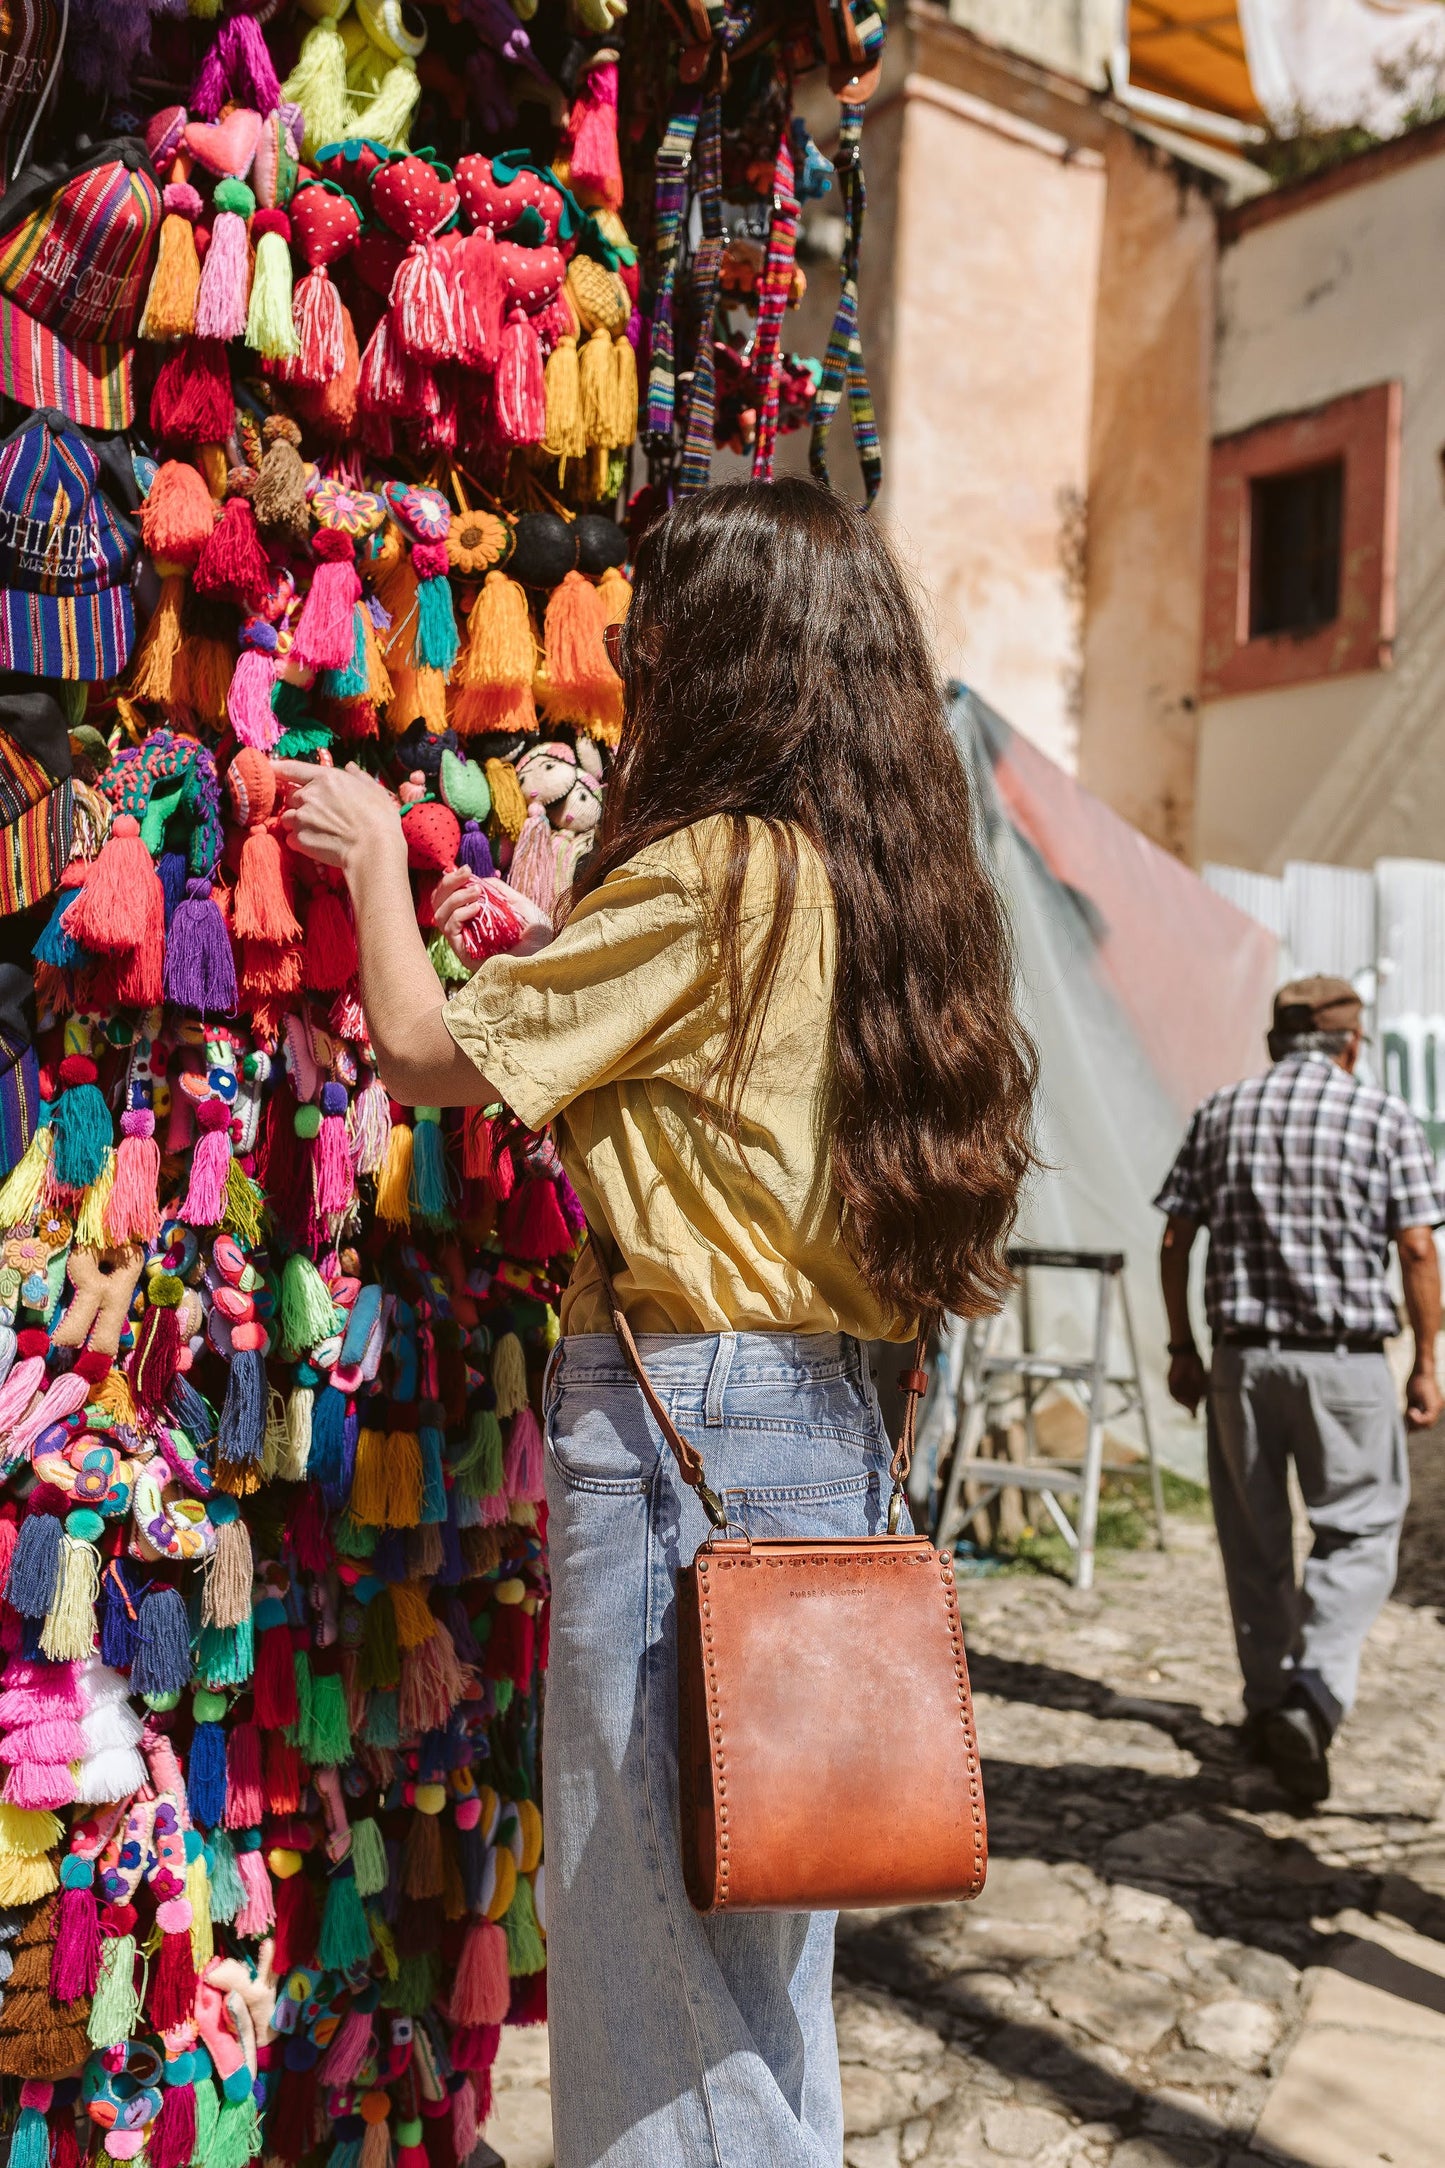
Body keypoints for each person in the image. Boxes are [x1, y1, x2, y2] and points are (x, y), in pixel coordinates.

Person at [275, 478, 1038, 2168]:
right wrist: (555, 943)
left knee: (652, 1965)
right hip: (816, 1427)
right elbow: (723, 1096)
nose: (632, 654)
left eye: (657, 625)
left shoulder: (707, 874)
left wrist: (373, 867)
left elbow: (417, 1052)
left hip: (684, 1431)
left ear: (731, 657)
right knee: (760, 1954)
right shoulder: (867, 879)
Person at [1155, 975, 1442, 1808]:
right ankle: (1312, 1694)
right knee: (1358, 1533)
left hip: (1242, 1362)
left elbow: (1176, 1236)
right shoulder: (1384, 1116)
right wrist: (1426, 1360)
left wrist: (1183, 1347)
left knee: (1252, 1540)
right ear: (1352, 1043)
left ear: (1276, 1042)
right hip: (1346, 1365)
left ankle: (1266, 1704)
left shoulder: (1221, 1112)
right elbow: (1418, 1250)